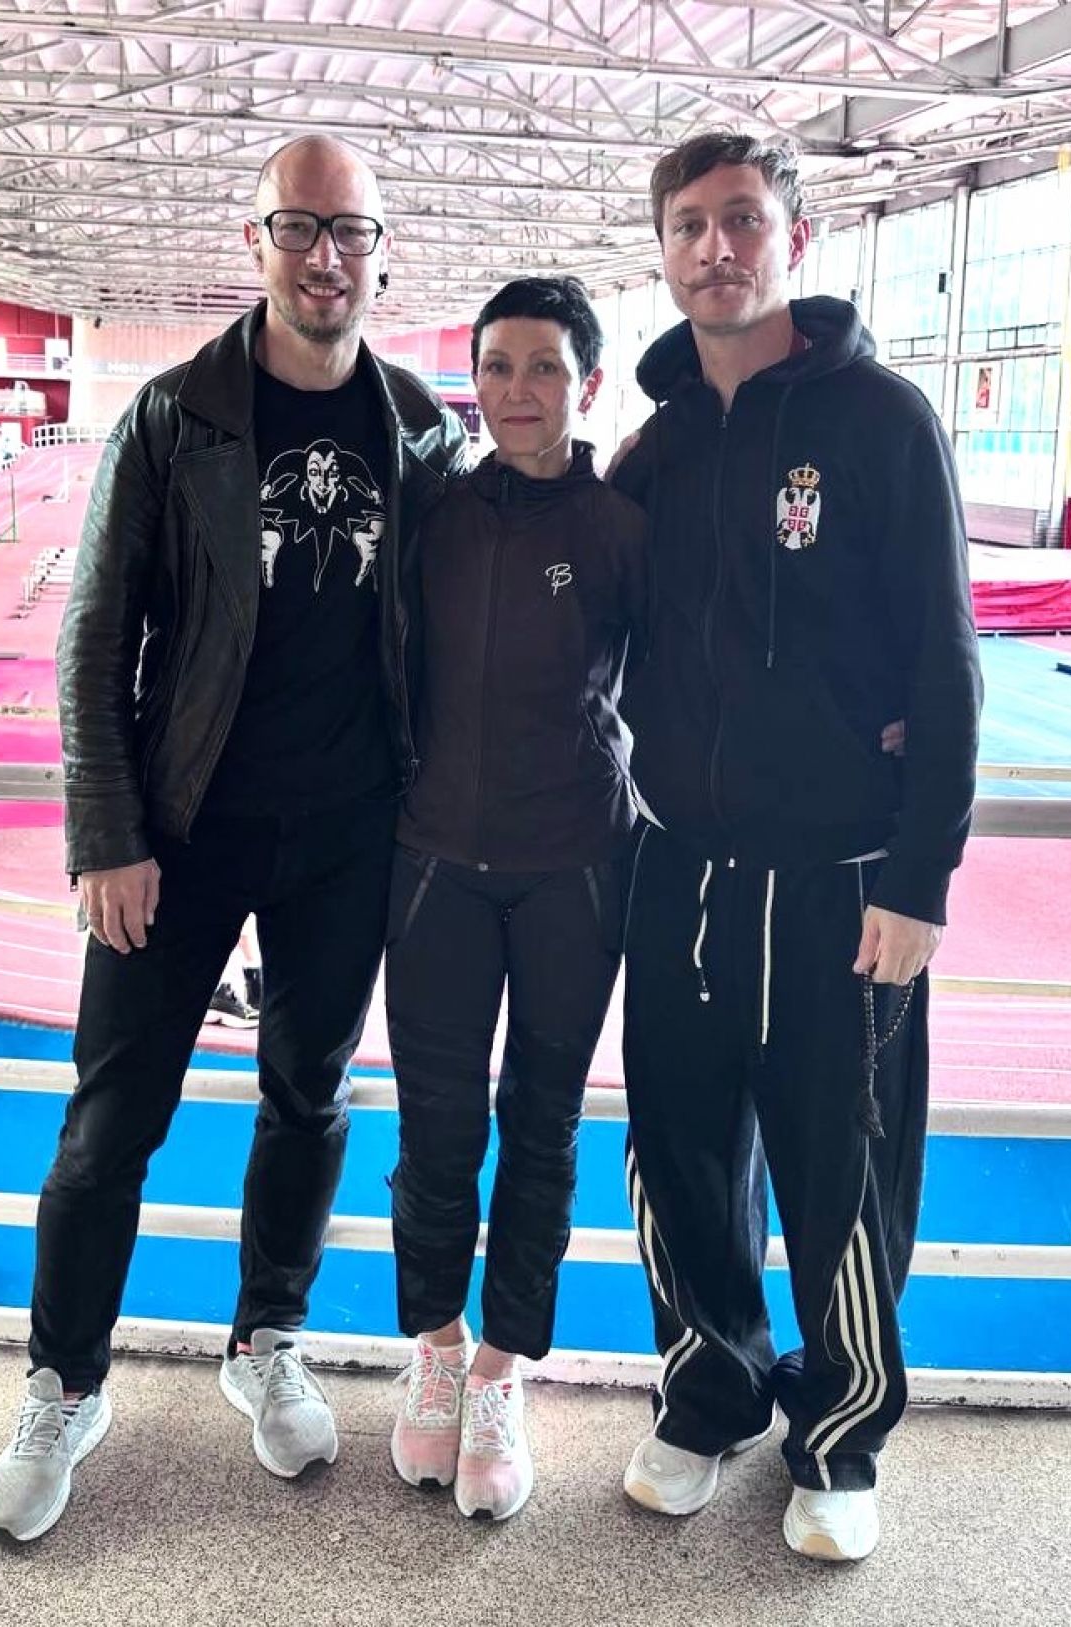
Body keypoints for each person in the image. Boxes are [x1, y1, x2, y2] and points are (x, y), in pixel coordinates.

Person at [0, 134, 466, 1543]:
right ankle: (64, 1381)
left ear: (382, 253)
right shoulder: (172, 414)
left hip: (349, 835)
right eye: (299, 227)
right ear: (256, 242)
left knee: (311, 1096)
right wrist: (107, 831)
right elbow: (93, 634)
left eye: (351, 231)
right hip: (180, 830)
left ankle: (266, 1337)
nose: (326, 256)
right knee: (110, 1118)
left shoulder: (418, 426)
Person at [610, 130, 981, 1561]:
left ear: (795, 238)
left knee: (846, 1177)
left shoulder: (881, 420)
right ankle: (710, 1390)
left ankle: (839, 1432)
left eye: (744, 219)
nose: (716, 247)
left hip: (843, 882)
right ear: (662, 250)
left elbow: (945, 663)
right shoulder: (653, 452)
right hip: (681, 873)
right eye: (689, 225)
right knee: (679, 1155)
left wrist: (920, 877)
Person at [384, 277, 646, 1521]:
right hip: (436, 862)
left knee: (541, 1123)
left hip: (574, 868)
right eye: (497, 367)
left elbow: (695, 680)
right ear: (473, 380)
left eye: (544, 368)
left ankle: (501, 1369)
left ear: (585, 383)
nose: (518, 392)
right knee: (434, 1124)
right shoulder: (433, 513)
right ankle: (436, 1348)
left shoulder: (621, 527)